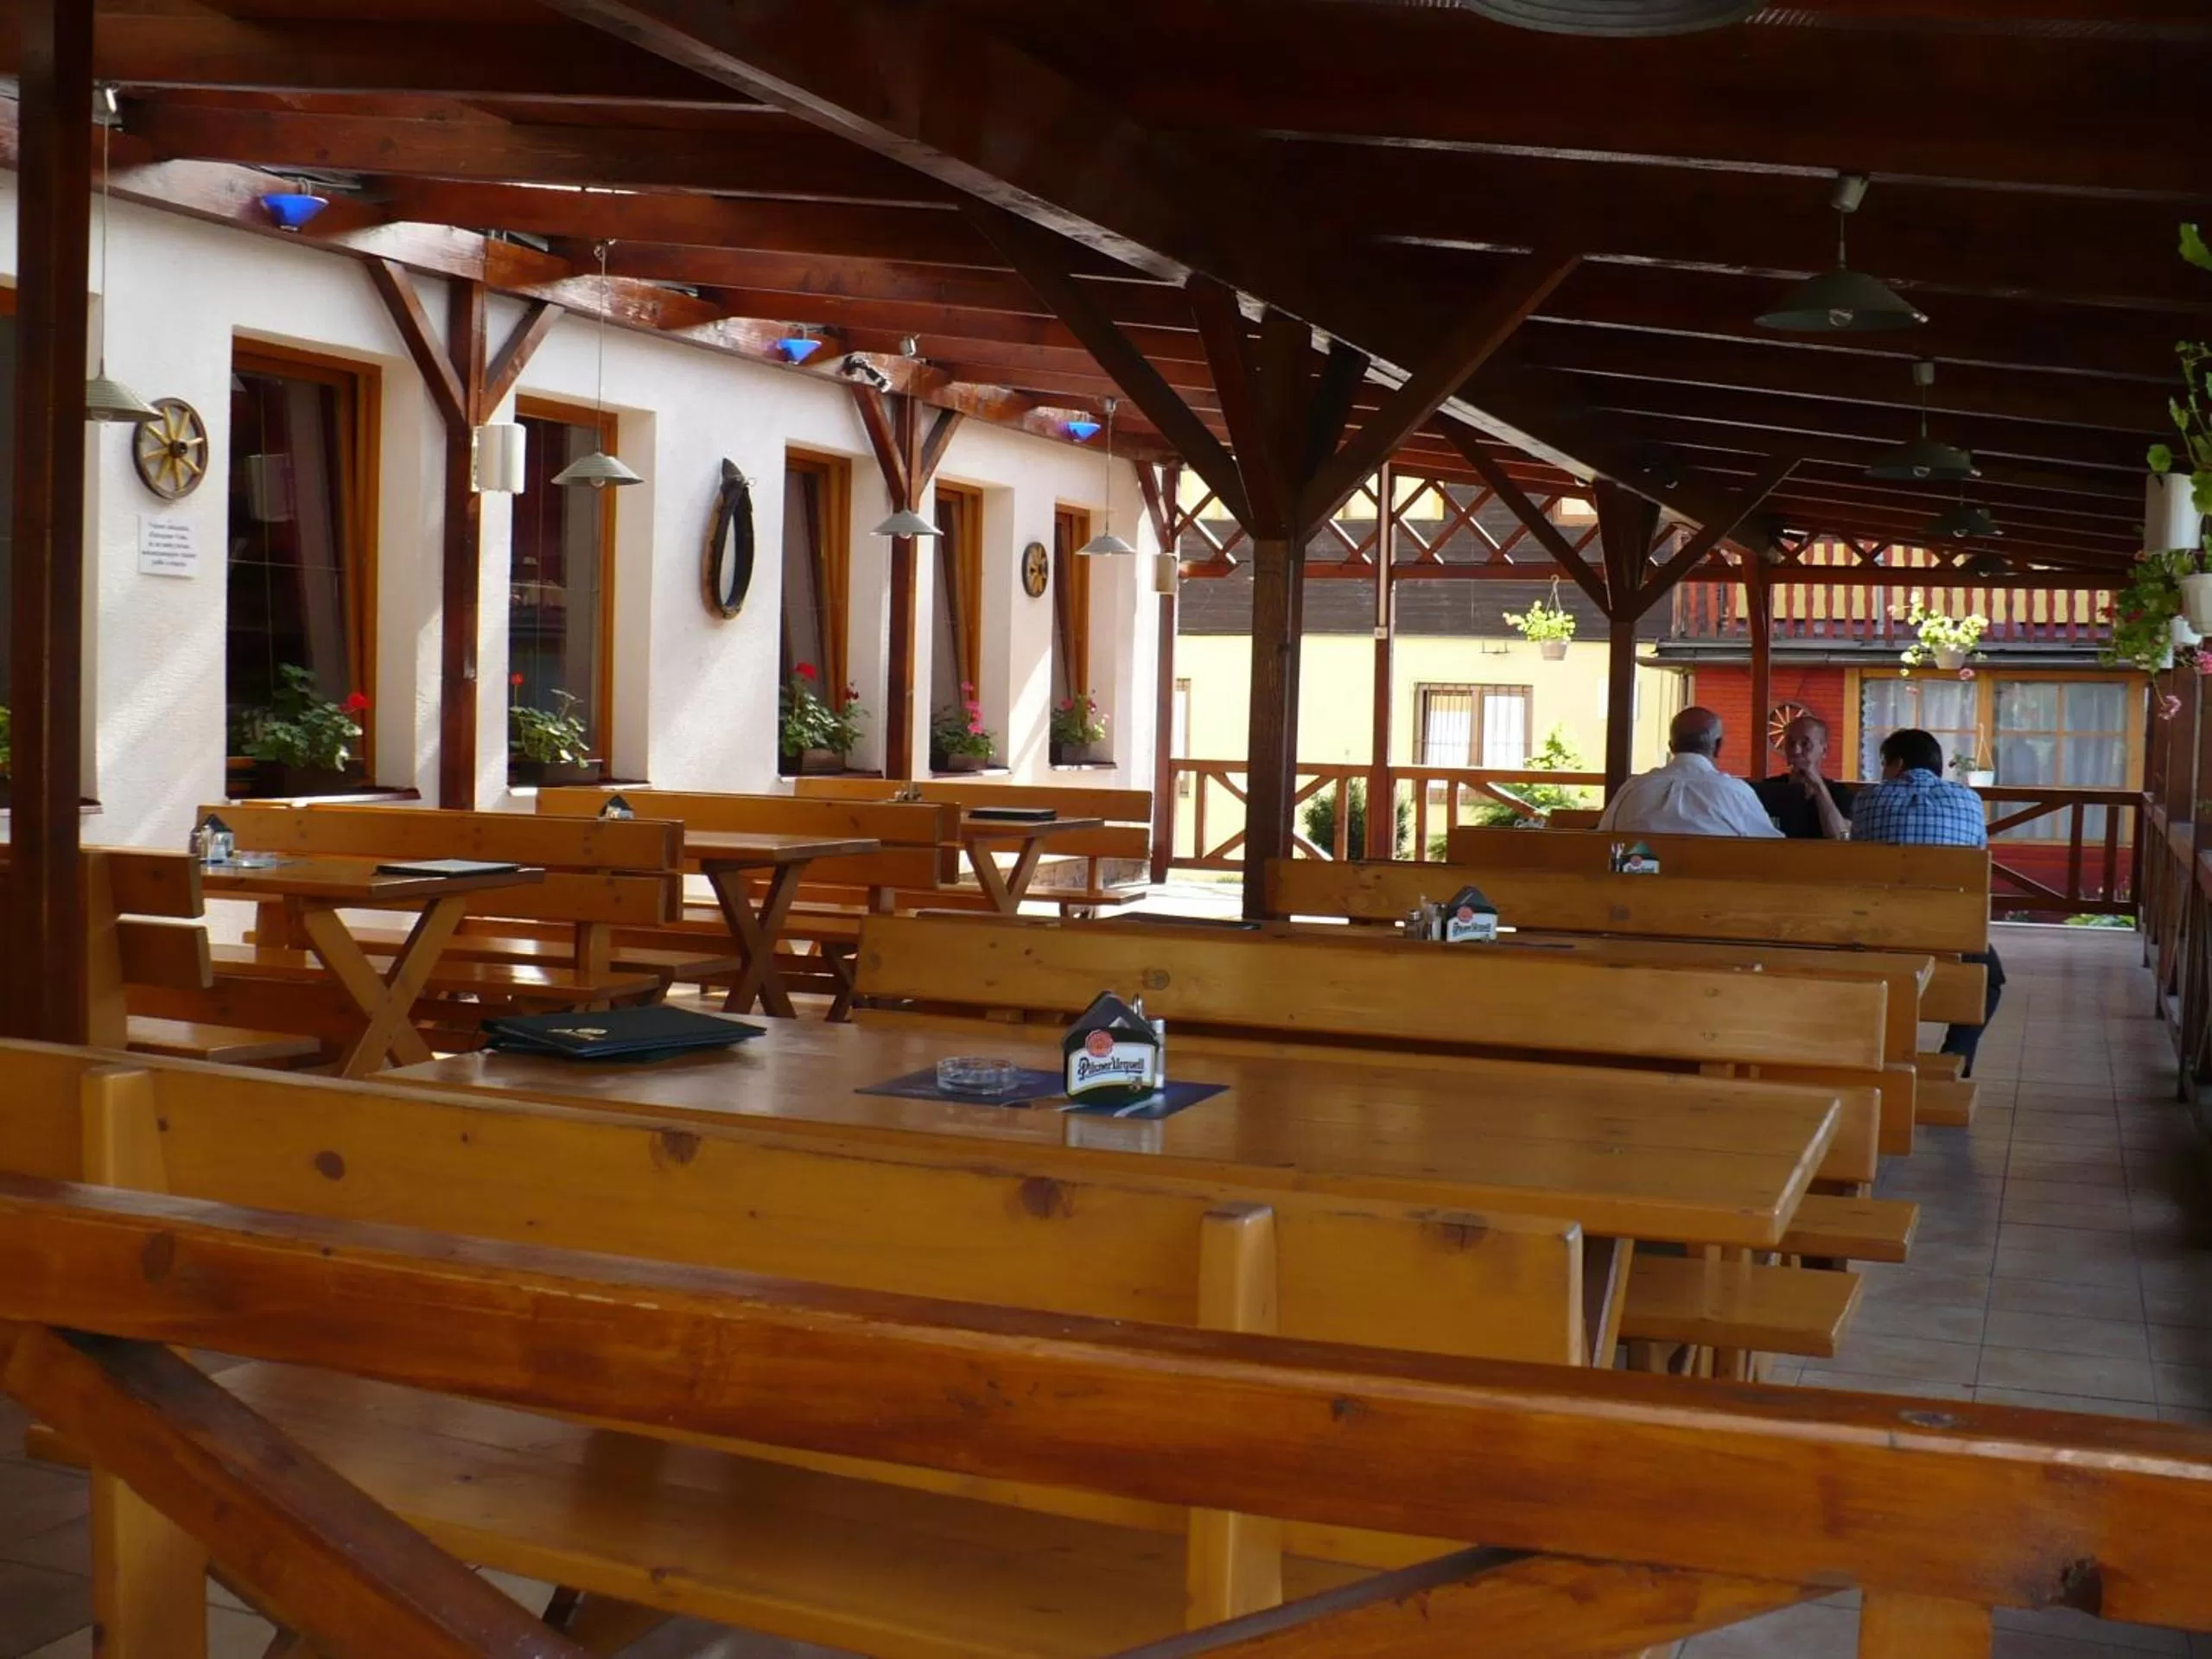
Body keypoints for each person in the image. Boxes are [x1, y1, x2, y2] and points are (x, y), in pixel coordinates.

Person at [1850, 727, 2004, 1073]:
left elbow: (1857, 859)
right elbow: (1978, 860)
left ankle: (1875, 1053)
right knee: (1991, 979)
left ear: (1897, 763)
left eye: (1883, 764)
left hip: (1879, 930)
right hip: (1948, 931)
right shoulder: (1969, 800)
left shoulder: (1868, 800)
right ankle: (1954, 1058)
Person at [1597, 706, 1782, 839]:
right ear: (1718, 747)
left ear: (1671, 746)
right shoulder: (1735, 793)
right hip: (1716, 892)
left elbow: (1601, 840)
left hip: (1637, 890)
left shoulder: (1632, 789)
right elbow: (1774, 850)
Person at [1751, 713, 1855, 840]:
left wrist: (1818, 787)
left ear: (1824, 751)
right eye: (1790, 743)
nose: (1796, 750)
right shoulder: (1769, 789)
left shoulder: (1839, 794)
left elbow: (1842, 837)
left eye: (1806, 744)